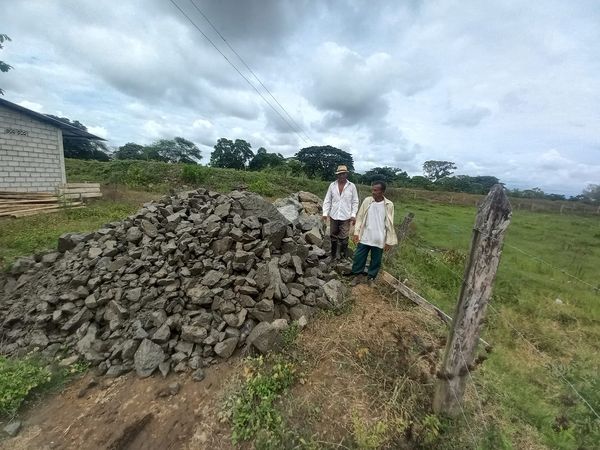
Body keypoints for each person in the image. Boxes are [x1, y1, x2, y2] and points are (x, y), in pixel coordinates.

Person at [350, 181, 397, 285]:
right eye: (372, 190)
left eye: (376, 190)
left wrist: (389, 241)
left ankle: (371, 278)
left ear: (382, 192)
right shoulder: (367, 201)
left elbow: (390, 224)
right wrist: (356, 233)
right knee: (359, 257)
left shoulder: (389, 205)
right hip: (365, 236)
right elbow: (360, 217)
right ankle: (357, 276)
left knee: (376, 261)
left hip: (379, 238)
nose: (373, 192)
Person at [322, 165, 359, 261]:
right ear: (337, 175)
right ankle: (333, 255)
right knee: (333, 236)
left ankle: (343, 257)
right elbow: (327, 200)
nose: (341, 176)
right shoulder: (332, 185)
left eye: (343, 174)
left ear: (346, 174)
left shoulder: (352, 186)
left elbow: (355, 201)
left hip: (346, 216)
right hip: (334, 215)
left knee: (344, 237)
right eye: (340, 174)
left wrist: (353, 215)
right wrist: (325, 213)